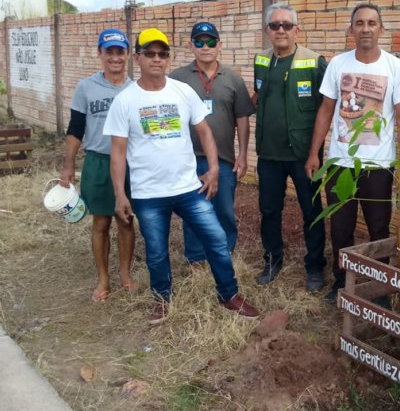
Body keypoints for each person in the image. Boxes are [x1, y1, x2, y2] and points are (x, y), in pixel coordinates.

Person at [103, 28, 259, 323]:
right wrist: (121, 194)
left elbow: (205, 132)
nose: (157, 59)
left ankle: (230, 295)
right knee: (157, 252)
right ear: (137, 58)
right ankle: (162, 300)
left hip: (189, 189)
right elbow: (118, 152)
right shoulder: (125, 101)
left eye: (162, 54)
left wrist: (213, 169)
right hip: (149, 194)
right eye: (150, 53)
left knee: (215, 240)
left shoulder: (182, 91)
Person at [305, 3, 400, 303]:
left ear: (381, 29)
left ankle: (380, 287)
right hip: (341, 162)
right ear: (351, 29)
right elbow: (326, 110)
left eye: (372, 23)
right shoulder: (338, 65)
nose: (366, 28)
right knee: (341, 229)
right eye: (359, 23)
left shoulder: (394, 67)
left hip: (378, 166)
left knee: (379, 228)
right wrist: (315, 152)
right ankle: (342, 282)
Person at [252, 4, 327, 292]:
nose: (280, 30)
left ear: (297, 29)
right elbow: (259, 95)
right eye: (274, 25)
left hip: (303, 155)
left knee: (311, 211)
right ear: (267, 30)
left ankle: (315, 267)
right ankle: (272, 260)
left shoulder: (314, 61)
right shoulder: (261, 60)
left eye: (286, 25)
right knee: (269, 210)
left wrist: (315, 153)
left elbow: (326, 107)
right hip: (269, 154)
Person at [59, 28, 136, 303]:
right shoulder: (86, 88)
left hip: (129, 164)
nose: (115, 57)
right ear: (100, 54)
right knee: (101, 222)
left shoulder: (135, 90)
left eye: (120, 52)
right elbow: (75, 129)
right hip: (98, 162)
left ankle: (125, 274)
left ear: (127, 55)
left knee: (126, 220)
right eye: (109, 52)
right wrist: (68, 165)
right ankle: (104, 278)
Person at [170, 21, 254, 265]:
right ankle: (196, 258)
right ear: (191, 45)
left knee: (224, 209)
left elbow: (242, 118)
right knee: (193, 210)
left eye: (210, 41)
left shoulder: (233, 79)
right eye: (199, 41)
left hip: (224, 159)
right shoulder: (177, 78)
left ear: (219, 45)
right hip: (189, 158)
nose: (204, 46)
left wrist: (243, 155)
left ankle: (225, 253)